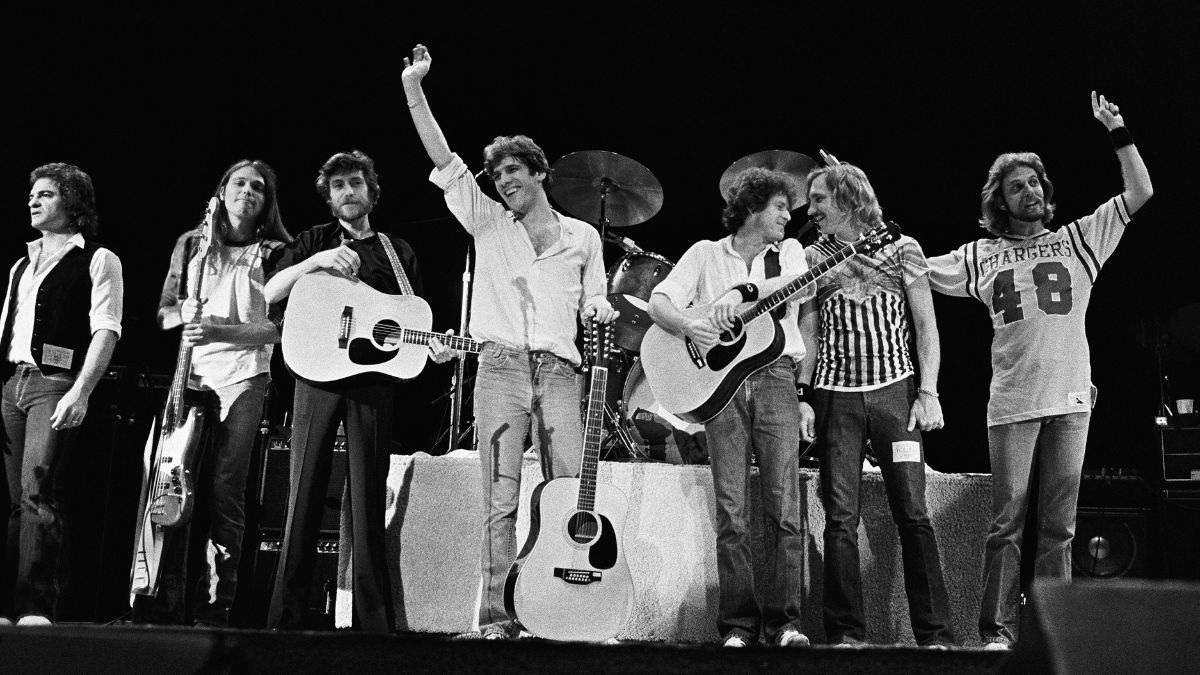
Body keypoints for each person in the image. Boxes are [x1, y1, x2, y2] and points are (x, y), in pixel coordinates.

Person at [402, 44, 617, 640]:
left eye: (512, 171)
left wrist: (597, 307)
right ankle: (500, 619)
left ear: (540, 173)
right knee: (500, 501)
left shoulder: (582, 238)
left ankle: (567, 611)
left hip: (560, 373)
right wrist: (414, 87)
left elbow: (593, 297)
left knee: (571, 494)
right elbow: (442, 156)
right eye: (496, 175)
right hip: (497, 369)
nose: (502, 180)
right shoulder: (488, 222)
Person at [926, 92, 1153, 649]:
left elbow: (1140, 192)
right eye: (1015, 186)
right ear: (998, 201)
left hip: (1072, 400)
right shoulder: (978, 255)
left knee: (1060, 528)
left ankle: (1056, 634)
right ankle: (997, 632)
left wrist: (1118, 131)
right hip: (1011, 402)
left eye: (1034, 183)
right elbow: (912, 267)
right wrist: (863, 222)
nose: (1028, 191)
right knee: (1006, 525)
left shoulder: (1077, 239)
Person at [264, 150, 440, 633]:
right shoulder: (313, 240)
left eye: (355, 183)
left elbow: (411, 320)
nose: (347, 191)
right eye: (338, 185)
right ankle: (287, 618)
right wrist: (316, 262)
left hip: (373, 385)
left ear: (371, 191)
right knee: (302, 493)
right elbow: (269, 292)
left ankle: (372, 622)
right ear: (329, 196)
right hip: (315, 375)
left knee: (367, 499)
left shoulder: (397, 252)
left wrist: (433, 347)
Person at [647, 167, 813, 648]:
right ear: (753, 208)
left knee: (785, 508)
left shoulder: (790, 253)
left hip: (777, 378)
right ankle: (738, 627)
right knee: (732, 510)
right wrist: (691, 327)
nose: (788, 215)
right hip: (720, 388)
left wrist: (741, 296)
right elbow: (659, 302)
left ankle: (786, 624)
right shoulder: (704, 253)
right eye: (781, 207)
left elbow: (802, 286)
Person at [799, 163, 955, 648]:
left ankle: (936, 636)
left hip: (896, 393)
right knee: (840, 519)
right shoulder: (811, 255)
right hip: (834, 396)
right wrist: (803, 397)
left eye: (820, 199)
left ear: (848, 199)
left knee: (913, 513)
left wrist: (928, 391)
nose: (812, 209)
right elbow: (807, 327)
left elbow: (926, 325)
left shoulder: (902, 248)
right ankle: (846, 634)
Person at [136, 159, 291, 627]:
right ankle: (166, 597)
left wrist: (219, 332)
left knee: (226, 489)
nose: (248, 191)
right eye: (239, 183)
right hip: (190, 379)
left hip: (244, 377)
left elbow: (280, 331)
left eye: (258, 188)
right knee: (173, 484)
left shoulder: (276, 252)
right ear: (222, 192)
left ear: (267, 202)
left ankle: (218, 605)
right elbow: (163, 314)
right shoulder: (192, 245)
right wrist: (184, 315)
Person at [1, 163, 123, 626]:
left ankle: (37, 608)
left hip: (55, 382)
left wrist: (82, 391)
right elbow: (6, 330)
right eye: (32, 194)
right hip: (12, 383)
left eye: (46, 194)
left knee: (39, 493)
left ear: (72, 205)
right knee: (16, 502)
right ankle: (11, 608)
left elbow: (106, 330)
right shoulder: (21, 264)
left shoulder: (97, 258)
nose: (33, 201)